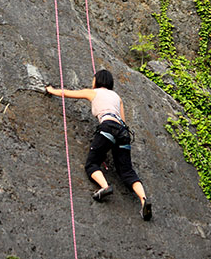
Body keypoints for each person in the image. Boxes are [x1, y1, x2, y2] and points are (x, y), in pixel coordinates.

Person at [46, 69, 152, 220]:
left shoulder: (93, 92)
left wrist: (51, 90)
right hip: (123, 133)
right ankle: (144, 200)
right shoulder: (117, 97)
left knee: (92, 164)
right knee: (127, 172)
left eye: (93, 79)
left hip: (107, 127)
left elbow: (68, 93)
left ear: (98, 80)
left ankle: (104, 187)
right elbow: (123, 121)